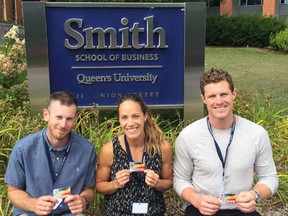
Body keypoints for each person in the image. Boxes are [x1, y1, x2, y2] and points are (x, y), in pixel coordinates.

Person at [173, 68, 278, 216]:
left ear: (233, 94)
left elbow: (269, 178)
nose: (219, 101)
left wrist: (255, 194)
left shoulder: (256, 134)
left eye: (224, 94)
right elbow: (180, 179)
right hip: (201, 209)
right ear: (203, 99)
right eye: (212, 96)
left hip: (241, 210)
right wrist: (196, 199)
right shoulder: (188, 136)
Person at [5, 91, 97, 216]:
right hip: (32, 213)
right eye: (58, 117)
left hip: (68, 213)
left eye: (69, 119)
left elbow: (89, 190)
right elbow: (13, 191)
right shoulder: (23, 148)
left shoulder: (86, 149)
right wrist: (33, 204)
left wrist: (84, 200)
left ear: (75, 118)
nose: (63, 125)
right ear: (46, 115)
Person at [96, 93, 173, 215]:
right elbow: (99, 185)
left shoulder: (162, 147)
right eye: (124, 117)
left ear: (145, 116)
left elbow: (168, 181)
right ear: (119, 120)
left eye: (135, 116)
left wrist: (157, 183)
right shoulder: (109, 149)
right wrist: (115, 184)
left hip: (153, 212)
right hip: (118, 212)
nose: (130, 123)